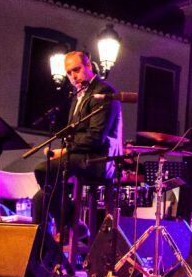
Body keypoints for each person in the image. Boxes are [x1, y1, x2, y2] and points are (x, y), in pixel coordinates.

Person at [32, 51, 124, 245]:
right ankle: (51, 243)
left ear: (89, 66)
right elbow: (74, 132)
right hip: (81, 156)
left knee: (41, 169)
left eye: (77, 69)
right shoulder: (77, 96)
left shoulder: (104, 92)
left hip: (100, 159)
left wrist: (65, 151)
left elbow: (96, 137)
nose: (73, 76)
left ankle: (69, 223)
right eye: (69, 73)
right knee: (41, 196)